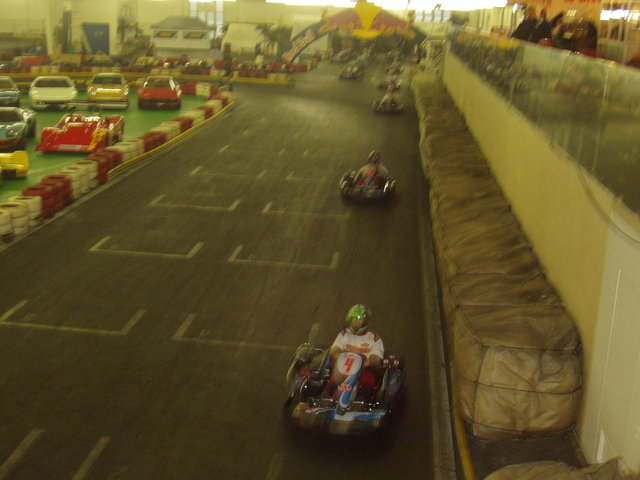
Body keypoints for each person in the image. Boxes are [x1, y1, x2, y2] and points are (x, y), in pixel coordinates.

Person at [322, 305, 385, 400]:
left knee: (368, 379)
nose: (356, 323)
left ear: (365, 322)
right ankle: (324, 397)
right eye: (354, 320)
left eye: (359, 320)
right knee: (333, 378)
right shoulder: (344, 334)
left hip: (363, 369)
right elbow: (336, 347)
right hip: (344, 368)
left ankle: (362, 400)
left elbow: (377, 354)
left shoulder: (373, 337)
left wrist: (371, 360)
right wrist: (336, 352)